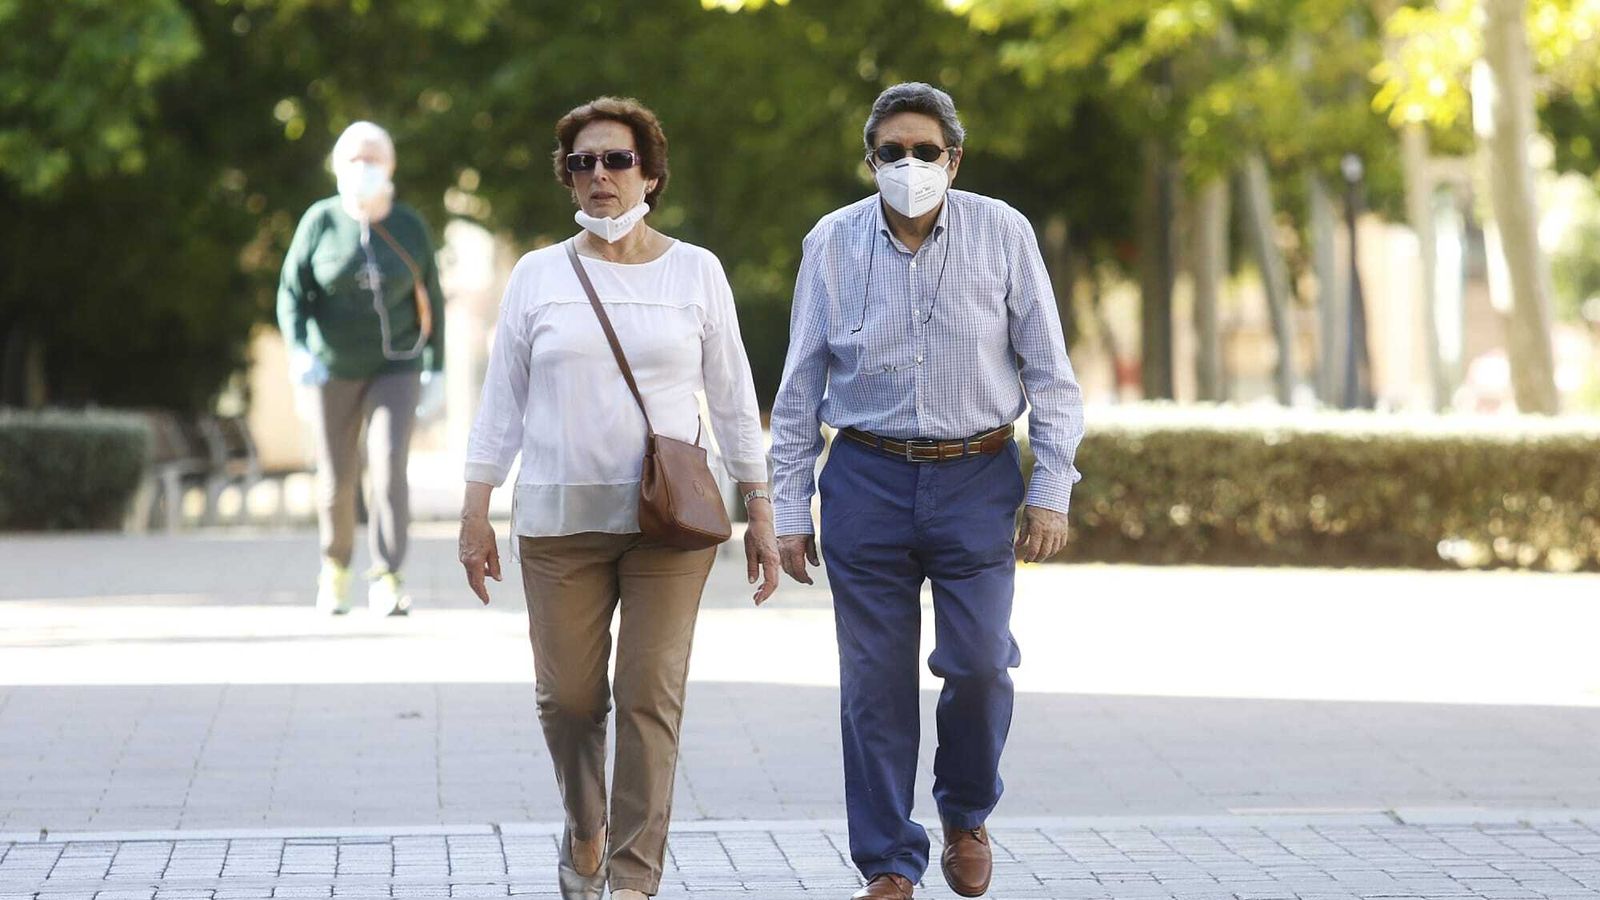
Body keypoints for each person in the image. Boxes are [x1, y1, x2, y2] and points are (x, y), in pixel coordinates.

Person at [768, 82, 1085, 900]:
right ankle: (887, 860)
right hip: (866, 478)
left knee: (979, 663)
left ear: (955, 157)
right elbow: (800, 386)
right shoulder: (831, 243)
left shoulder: (1003, 232)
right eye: (891, 152)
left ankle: (966, 811)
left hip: (977, 475)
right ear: (870, 160)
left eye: (925, 150)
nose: (909, 165)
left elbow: (1051, 374)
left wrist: (1050, 488)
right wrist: (786, 509)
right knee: (872, 681)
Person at [457, 97, 780, 900]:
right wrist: (475, 511)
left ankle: (635, 878)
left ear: (651, 174)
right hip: (559, 521)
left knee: (648, 697)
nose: (598, 175)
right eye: (582, 163)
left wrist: (764, 509)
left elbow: (734, 397)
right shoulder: (537, 275)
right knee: (567, 700)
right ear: (567, 177)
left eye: (615, 160)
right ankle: (587, 826)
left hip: (669, 522)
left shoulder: (696, 270)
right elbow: (502, 400)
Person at [277, 121, 445, 616]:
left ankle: (389, 576)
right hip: (332, 367)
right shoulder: (320, 222)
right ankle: (335, 568)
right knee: (337, 475)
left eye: (373, 158)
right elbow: (292, 294)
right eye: (353, 158)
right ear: (336, 166)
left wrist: (437, 366)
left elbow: (431, 299)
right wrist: (300, 350)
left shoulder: (410, 226)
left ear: (390, 167)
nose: (364, 167)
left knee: (390, 464)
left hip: (397, 366)